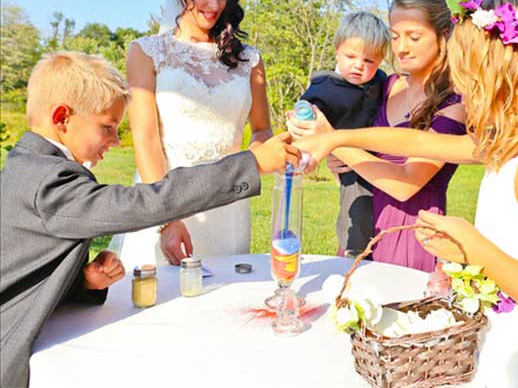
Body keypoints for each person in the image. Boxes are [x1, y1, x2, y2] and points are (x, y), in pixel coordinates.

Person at [296, 0, 518, 386]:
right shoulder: (512, 141)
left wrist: (473, 248)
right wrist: (337, 138)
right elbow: (417, 141)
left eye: (473, 66)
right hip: (511, 342)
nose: (464, 81)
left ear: (509, 66)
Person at [0, 51, 299, 388]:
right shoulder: (49, 183)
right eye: (108, 127)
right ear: (62, 117)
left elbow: (27, 268)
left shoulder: (29, 165)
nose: (115, 141)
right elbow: (145, 202)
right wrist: (250, 164)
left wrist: (83, 283)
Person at [109, 0, 273, 268]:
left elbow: (261, 131)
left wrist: (261, 153)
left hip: (227, 206)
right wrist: (166, 220)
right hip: (166, 199)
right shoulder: (146, 52)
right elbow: (146, 138)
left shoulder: (249, 60)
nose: (214, 5)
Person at [290, 0, 466, 272]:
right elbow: (354, 148)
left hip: (408, 236)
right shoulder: (387, 85)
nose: (401, 47)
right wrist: (331, 153)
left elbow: (405, 185)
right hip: (358, 224)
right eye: (395, 36)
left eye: (414, 36)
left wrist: (334, 141)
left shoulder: (454, 104)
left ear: (444, 36)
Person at [298, 11, 389, 257]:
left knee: (382, 213)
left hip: (382, 158)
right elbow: (307, 121)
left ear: (380, 61)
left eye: (369, 61)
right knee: (357, 207)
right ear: (337, 50)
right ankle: (353, 252)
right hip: (350, 163)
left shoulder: (381, 82)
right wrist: (309, 152)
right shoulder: (325, 87)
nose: (359, 65)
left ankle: (383, 250)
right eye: (351, 56)